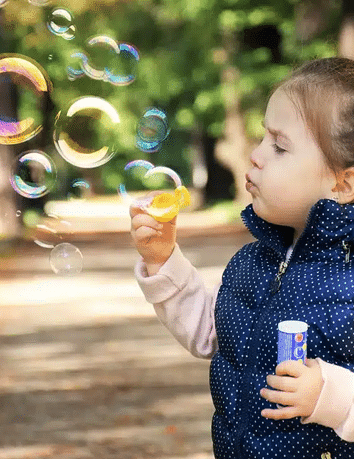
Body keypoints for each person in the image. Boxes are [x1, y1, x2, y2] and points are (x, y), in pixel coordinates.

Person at [130, 57, 354, 459]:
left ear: (344, 183)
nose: (255, 155)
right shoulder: (252, 263)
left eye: (280, 146)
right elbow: (211, 335)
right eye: (262, 138)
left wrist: (332, 395)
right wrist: (164, 260)